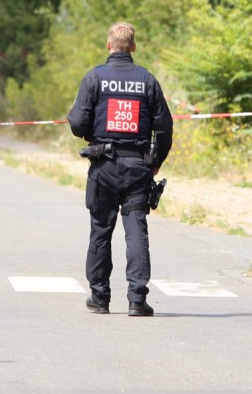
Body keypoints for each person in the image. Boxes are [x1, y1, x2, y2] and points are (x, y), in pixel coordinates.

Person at [68, 22, 173, 316]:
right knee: (136, 229)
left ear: (108, 45)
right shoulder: (147, 81)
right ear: (134, 47)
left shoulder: (94, 78)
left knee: (101, 230)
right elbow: (164, 127)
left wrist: (94, 132)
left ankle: (99, 298)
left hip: (103, 167)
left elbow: (77, 124)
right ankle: (137, 299)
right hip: (137, 168)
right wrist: (155, 163)